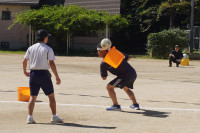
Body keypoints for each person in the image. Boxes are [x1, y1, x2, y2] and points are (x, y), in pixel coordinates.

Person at [23, 29, 63, 124]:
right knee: (51, 96)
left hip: (33, 74)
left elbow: (24, 61)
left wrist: (25, 71)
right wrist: (57, 76)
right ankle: (54, 116)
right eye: (47, 37)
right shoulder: (48, 49)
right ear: (44, 38)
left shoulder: (31, 48)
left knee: (33, 97)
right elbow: (51, 63)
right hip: (44, 74)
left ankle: (30, 117)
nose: (47, 38)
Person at [97, 38, 140, 111]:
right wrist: (119, 64)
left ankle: (116, 105)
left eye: (99, 51)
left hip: (125, 76)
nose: (98, 53)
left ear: (104, 50)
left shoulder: (104, 63)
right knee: (125, 87)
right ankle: (135, 104)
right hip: (133, 73)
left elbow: (104, 78)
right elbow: (128, 57)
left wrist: (105, 70)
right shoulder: (115, 52)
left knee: (109, 87)